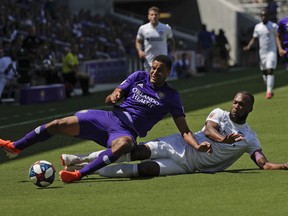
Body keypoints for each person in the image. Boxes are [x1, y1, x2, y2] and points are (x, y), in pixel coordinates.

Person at [0, 55, 212, 183]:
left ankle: (78, 175)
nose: (154, 72)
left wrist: (197, 145)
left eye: (160, 70)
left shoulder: (172, 96)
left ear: (168, 73)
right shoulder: (139, 76)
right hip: (107, 118)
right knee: (57, 124)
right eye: (153, 68)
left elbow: (184, 130)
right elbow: (114, 93)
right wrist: (114, 96)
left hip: (124, 131)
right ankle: (16, 146)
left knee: (126, 144)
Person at [61, 91, 288, 178]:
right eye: (235, 102)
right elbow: (209, 129)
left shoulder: (249, 138)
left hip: (188, 166)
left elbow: (263, 163)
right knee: (136, 151)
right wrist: (222, 140)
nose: (236, 106)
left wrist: (284, 166)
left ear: (250, 109)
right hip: (177, 144)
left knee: (145, 170)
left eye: (242, 104)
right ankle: (81, 160)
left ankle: (94, 172)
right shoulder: (219, 113)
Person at [243, 10, 278, 99]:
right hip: (262, 53)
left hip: (272, 51)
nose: (264, 17)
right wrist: (248, 46)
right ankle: (269, 87)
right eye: (262, 15)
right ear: (260, 16)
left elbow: (278, 36)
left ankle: (269, 92)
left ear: (268, 16)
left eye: (265, 15)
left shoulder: (273, 26)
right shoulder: (257, 27)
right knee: (265, 72)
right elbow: (254, 38)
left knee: (270, 70)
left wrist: (281, 47)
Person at [135, 6, 175, 72]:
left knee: (161, 81)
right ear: (148, 16)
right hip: (148, 61)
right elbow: (138, 41)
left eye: (156, 15)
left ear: (159, 16)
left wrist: (173, 52)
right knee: (149, 81)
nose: (154, 16)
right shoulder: (143, 28)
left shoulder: (166, 28)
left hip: (162, 61)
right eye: (152, 15)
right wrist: (139, 50)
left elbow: (171, 40)